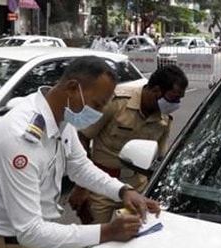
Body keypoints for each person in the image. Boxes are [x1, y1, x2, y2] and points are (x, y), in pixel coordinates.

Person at [0, 56, 161, 248]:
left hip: (37, 245)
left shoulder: (61, 118)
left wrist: (123, 190)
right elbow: (29, 230)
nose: (100, 113)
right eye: (97, 104)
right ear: (71, 88)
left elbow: (79, 166)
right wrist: (106, 232)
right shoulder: (19, 139)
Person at [69, 65, 188, 224]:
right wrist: (80, 186)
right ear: (157, 91)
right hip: (101, 186)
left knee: (131, 240)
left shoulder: (164, 119)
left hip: (136, 188)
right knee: (95, 240)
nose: (177, 104)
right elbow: (82, 137)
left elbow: (158, 159)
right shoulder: (116, 102)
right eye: (174, 98)